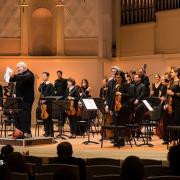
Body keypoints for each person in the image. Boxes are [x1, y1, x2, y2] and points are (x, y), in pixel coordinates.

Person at [10, 62, 34, 138]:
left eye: (19, 68)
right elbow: (12, 79)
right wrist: (10, 76)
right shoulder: (20, 75)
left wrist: (14, 76)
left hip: (27, 99)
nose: (17, 69)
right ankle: (20, 132)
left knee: (25, 116)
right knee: (18, 116)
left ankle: (27, 132)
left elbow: (23, 78)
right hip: (19, 99)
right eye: (17, 68)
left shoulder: (29, 74)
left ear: (24, 67)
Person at [38, 72, 55, 137]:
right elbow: (39, 90)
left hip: (48, 103)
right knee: (44, 118)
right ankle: (46, 132)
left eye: (44, 76)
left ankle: (51, 133)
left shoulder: (51, 85)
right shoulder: (42, 84)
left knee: (49, 118)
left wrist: (46, 100)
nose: (43, 77)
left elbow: (52, 95)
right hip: (42, 104)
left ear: (48, 77)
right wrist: (43, 84)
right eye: (43, 76)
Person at [167, 67, 180, 146]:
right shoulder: (171, 82)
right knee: (172, 122)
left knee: (177, 121)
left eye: (172, 72)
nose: (170, 73)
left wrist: (173, 94)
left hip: (178, 104)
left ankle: (176, 139)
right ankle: (173, 140)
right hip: (171, 104)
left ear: (176, 73)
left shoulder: (179, 82)